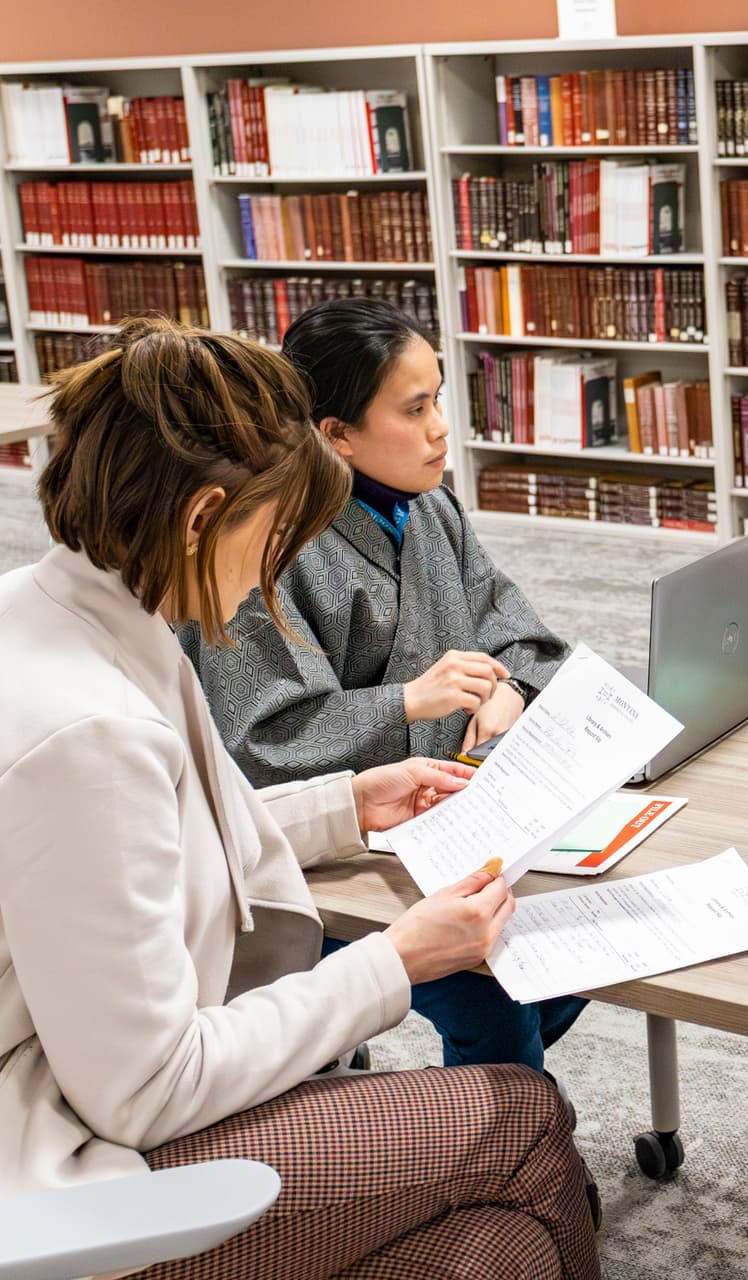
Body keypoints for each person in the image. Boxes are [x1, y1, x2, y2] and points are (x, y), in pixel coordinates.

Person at [0, 318, 597, 1279]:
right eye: (276, 539)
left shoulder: (43, 609)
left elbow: (135, 842)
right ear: (203, 518)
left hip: (43, 1090)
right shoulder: (83, 733)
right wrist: (396, 960)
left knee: (499, 1247)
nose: (275, 573)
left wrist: (345, 802)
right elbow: (149, 1089)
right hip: (21, 1173)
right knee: (521, 1120)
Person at [179, 297, 587, 1074]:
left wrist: (512, 692)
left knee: (572, 947)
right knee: (495, 994)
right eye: (415, 408)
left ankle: (479, 1105)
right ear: (335, 434)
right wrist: (405, 702)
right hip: (332, 852)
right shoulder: (262, 547)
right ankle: (499, 1133)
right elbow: (263, 741)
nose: (441, 429)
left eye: (439, 399)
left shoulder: (429, 507)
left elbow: (523, 636)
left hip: (452, 817)